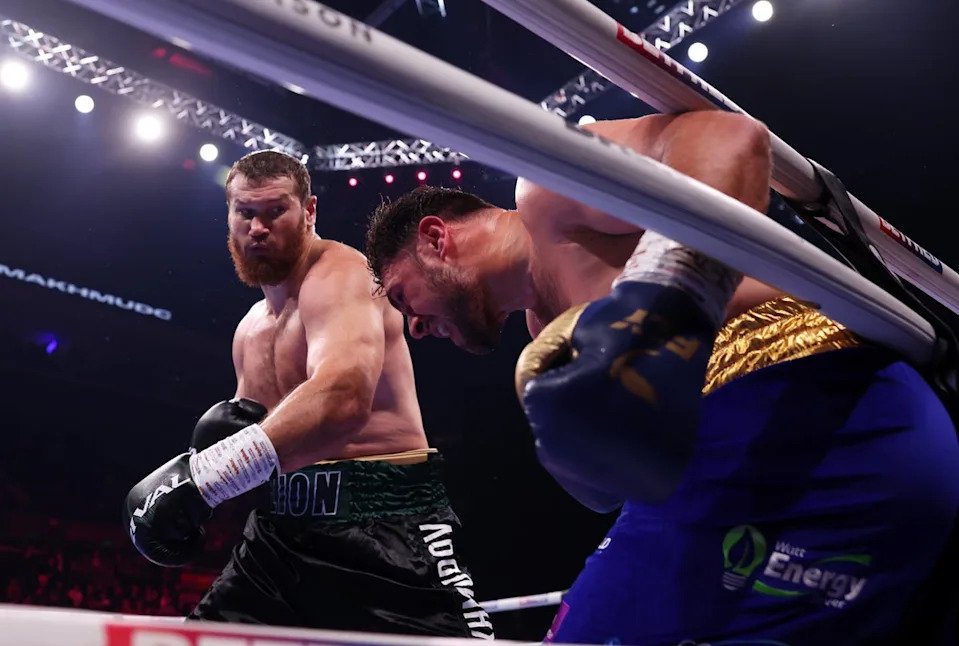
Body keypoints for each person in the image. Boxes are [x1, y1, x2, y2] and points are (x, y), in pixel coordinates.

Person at [364, 111, 959, 645]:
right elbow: (612, 491)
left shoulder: (545, 191)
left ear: (436, 240)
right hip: (740, 485)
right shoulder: (543, 333)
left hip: (819, 407)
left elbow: (729, 136)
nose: (412, 327)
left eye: (400, 296)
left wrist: (666, 296)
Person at [123, 150, 494, 639]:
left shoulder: (344, 276)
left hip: (384, 524)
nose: (259, 227)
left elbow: (342, 396)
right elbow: (266, 448)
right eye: (246, 212)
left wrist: (205, 478)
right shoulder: (249, 332)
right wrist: (204, 475)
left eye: (276, 210)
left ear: (310, 211)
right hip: (281, 535)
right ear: (229, 219)